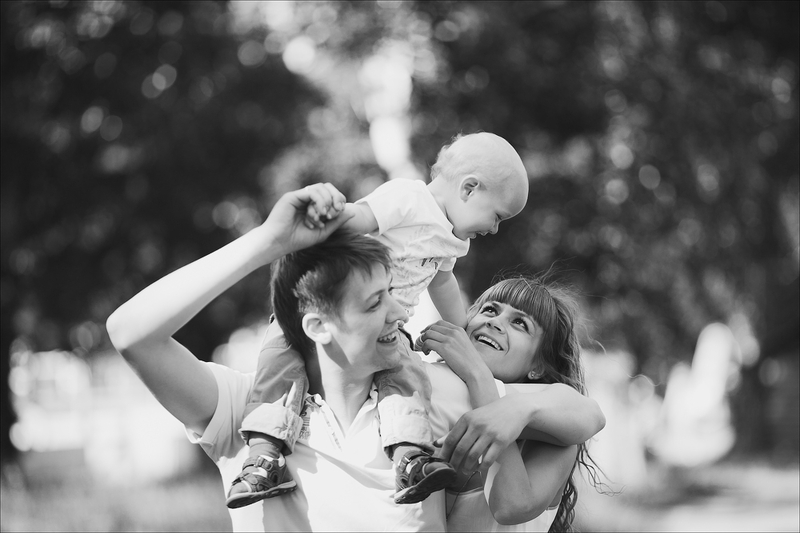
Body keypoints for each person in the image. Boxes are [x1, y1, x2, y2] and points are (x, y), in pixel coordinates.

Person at [105, 184, 604, 531]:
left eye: (395, 293)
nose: (401, 313)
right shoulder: (252, 410)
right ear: (317, 326)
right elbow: (130, 333)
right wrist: (269, 242)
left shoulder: (435, 397)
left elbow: (581, 415)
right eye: (376, 302)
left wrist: (509, 398)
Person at [229, 132, 531, 508]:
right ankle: (263, 456)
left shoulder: (452, 240)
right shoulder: (408, 197)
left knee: (408, 377)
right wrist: (326, 214)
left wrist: (463, 329)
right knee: (279, 362)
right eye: (497, 216)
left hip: (388, 330)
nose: (495, 229)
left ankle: (408, 455)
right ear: (469, 189)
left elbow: (443, 282)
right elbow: (360, 217)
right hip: (331, 308)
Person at [418, 277, 605, 532]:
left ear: (538, 366)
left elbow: (511, 506)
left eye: (519, 323)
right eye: (490, 310)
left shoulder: (558, 433)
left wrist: (478, 376)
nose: (494, 321)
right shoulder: (443, 393)